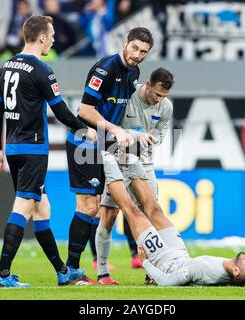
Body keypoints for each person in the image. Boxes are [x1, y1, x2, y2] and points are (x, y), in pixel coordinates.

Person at [0, 14, 97, 288]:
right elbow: (60, 110)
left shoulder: (6, 66)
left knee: (41, 208)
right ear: (40, 37)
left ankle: (63, 271)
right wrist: (84, 129)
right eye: (50, 35)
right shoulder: (42, 69)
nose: (52, 39)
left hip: (13, 148)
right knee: (24, 206)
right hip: (33, 148)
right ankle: (2, 274)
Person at [64, 27, 154, 285]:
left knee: (104, 209)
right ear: (125, 43)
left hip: (106, 145)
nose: (137, 55)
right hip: (85, 142)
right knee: (89, 207)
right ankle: (71, 271)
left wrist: (134, 133)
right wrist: (116, 130)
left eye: (144, 52)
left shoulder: (133, 72)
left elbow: (121, 112)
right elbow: (85, 110)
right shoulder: (104, 69)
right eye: (135, 48)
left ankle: (87, 271)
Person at [101, 151, 245, 287]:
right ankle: (129, 157)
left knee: (132, 211)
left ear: (236, 271)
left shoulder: (205, 272)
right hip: (180, 254)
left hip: (166, 262)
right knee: (155, 210)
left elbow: (167, 282)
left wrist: (146, 262)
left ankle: (106, 158)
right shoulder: (227, 270)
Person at [96, 67, 175, 284]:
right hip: (118, 160)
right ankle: (102, 272)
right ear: (148, 84)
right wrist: (134, 135)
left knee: (153, 213)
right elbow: (112, 125)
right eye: (157, 94)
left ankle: (154, 273)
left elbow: (160, 134)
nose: (159, 99)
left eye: (164, 96)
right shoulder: (127, 97)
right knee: (109, 216)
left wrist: (150, 138)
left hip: (145, 163)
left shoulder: (166, 106)